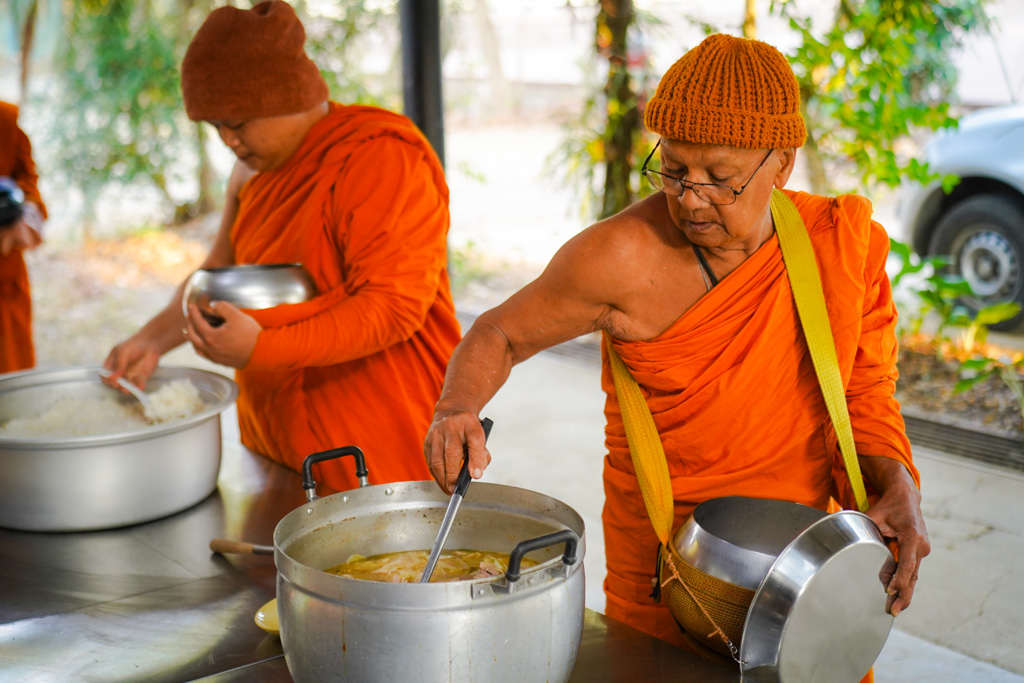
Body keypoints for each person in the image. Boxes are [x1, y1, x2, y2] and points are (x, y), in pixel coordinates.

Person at [424, 33, 930, 659]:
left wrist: (897, 485)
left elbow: (864, 392)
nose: (689, 198)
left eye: (720, 178)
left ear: (782, 163)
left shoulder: (841, 244)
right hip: (667, 571)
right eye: (673, 168)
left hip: (800, 564)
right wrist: (457, 407)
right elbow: (500, 332)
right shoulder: (620, 258)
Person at [104, 0, 460, 492]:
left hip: (376, 440)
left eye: (238, 123)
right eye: (214, 126)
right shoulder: (249, 173)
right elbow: (217, 272)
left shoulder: (378, 158)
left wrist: (261, 347)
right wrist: (151, 340)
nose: (227, 140)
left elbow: (392, 308)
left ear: (286, 96)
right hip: (276, 437)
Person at [0, 100, 46, 374]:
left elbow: (28, 180)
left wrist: (22, 215)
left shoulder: (4, 120)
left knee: (10, 371)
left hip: (4, 272)